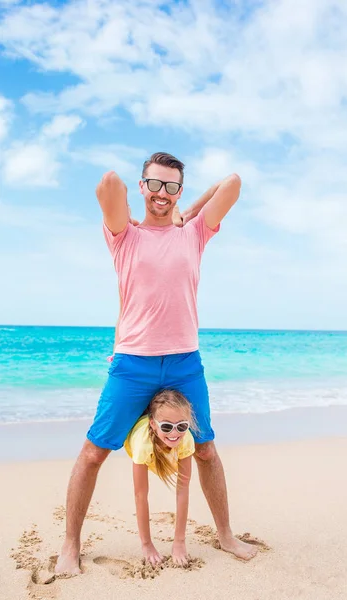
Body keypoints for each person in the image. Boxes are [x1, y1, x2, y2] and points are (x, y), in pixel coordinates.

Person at [56, 152, 257, 575]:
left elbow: (233, 183)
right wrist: (142, 204)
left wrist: (189, 210)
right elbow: (108, 183)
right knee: (94, 452)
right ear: (143, 186)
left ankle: (224, 535)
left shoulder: (194, 234)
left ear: (180, 192)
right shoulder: (123, 236)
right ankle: (70, 543)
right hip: (133, 362)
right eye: (154, 184)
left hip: (185, 360)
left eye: (171, 186)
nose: (161, 194)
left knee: (205, 450)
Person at [125, 389, 196, 567]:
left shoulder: (185, 439)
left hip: (166, 451)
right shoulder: (143, 445)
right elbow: (140, 496)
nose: (174, 432)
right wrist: (147, 545)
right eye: (166, 426)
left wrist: (179, 542)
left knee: (175, 442)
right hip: (143, 444)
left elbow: (182, 490)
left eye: (181, 426)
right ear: (153, 425)